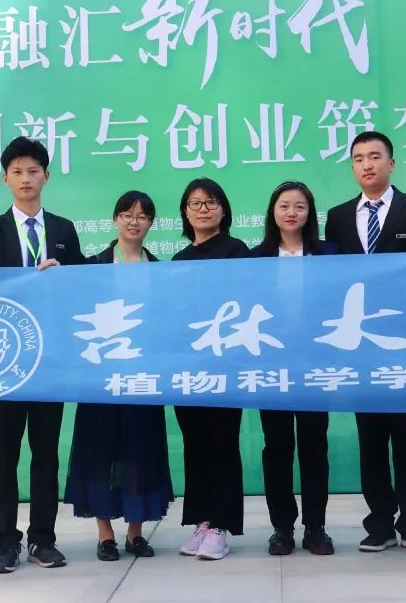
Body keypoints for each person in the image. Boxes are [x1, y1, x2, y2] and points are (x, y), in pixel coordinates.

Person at [0, 136, 83, 572]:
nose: (25, 178)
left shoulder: (64, 230)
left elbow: (81, 289)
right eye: (17, 171)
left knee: (46, 453)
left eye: (33, 171)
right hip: (3, 360)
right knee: (4, 454)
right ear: (5, 179)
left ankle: (43, 539)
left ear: (46, 176)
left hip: (50, 359)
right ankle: (5, 542)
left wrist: (65, 274)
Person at [323, 131, 406, 555]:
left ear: (391, 163)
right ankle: (379, 524)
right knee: (370, 439)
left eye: (374, 156)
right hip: (359, 347)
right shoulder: (337, 217)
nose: (366, 164)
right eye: (358, 158)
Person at [63, 191, 174, 561]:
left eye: (142, 216)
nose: (133, 222)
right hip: (100, 379)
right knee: (100, 452)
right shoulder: (91, 267)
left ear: (151, 223)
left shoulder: (161, 271)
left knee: (140, 452)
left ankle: (135, 533)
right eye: (127, 214)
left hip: (143, 378)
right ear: (115, 219)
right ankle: (105, 534)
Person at [252, 181, 337, 556]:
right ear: (273, 212)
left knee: (315, 445)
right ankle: (282, 527)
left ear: (310, 213)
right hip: (272, 366)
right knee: (277, 447)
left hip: (316, 365)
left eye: (300, 206)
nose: (291, 212)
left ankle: (316, 527)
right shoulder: (256, 258)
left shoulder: (329, 254)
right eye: (284, 205)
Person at [172, 178, 250, 561]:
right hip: (188, 367)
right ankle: (202, 520)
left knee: (222, 443)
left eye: (210, 202)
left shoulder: (238, 252)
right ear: (185, 213)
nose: (202, 209)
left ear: (223, 209)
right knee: (195, 444)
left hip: (225, 365)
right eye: (195, 203)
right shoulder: (178, 261)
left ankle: (221, 525)